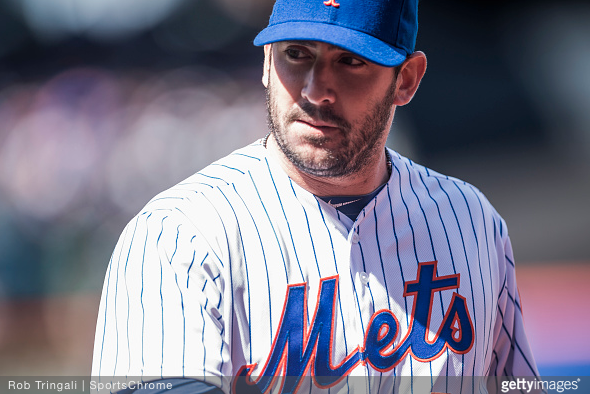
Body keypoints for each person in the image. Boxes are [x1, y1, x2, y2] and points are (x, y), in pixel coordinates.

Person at [92, 0, 541, 392]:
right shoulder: (180, 234)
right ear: (267, 62)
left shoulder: (471, 220)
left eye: (350, 61)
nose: (316, 90)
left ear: (406, 79)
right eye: (296, 54)